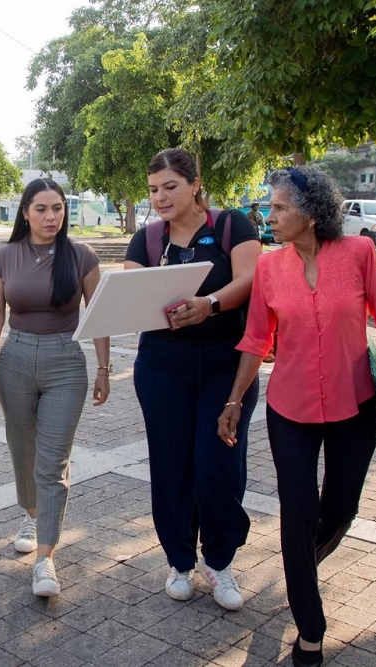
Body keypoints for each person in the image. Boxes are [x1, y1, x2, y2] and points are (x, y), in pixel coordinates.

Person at [218, 165, 376, 667]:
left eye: (280, 207)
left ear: (311, 215)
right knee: (298, 512)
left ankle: (300, 572)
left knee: (341, 508)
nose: (270, 214)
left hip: (355, 407)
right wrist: (234, 400)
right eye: (271, 206)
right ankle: (311, 628)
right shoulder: (268, 268)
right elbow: (255, 340)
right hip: (290, 408)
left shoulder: (359, 254)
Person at [124, 148, 262, 611]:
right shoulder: (144, 241)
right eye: (153, 189)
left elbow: (249, 279)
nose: (160, 197)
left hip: (226, 368)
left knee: (217, 468)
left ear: (195, 183)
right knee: (171, 467)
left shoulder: (232, 226)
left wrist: (210, 305)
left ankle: (220, 561)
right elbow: (133, 295)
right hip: (163, 370)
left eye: (170, 187)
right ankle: (179, 561)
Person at [0, 177, 111, 598]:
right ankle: (32, 515)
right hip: (14, 361)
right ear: (25, 212)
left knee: (53, 461)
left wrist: (105, 368)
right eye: (42, 208)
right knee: (23, 452)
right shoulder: (4, 257)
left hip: (65, 364)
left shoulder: (81, 256)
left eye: (58, 208)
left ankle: (45, 560)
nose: (51, 216)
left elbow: (100, 315)